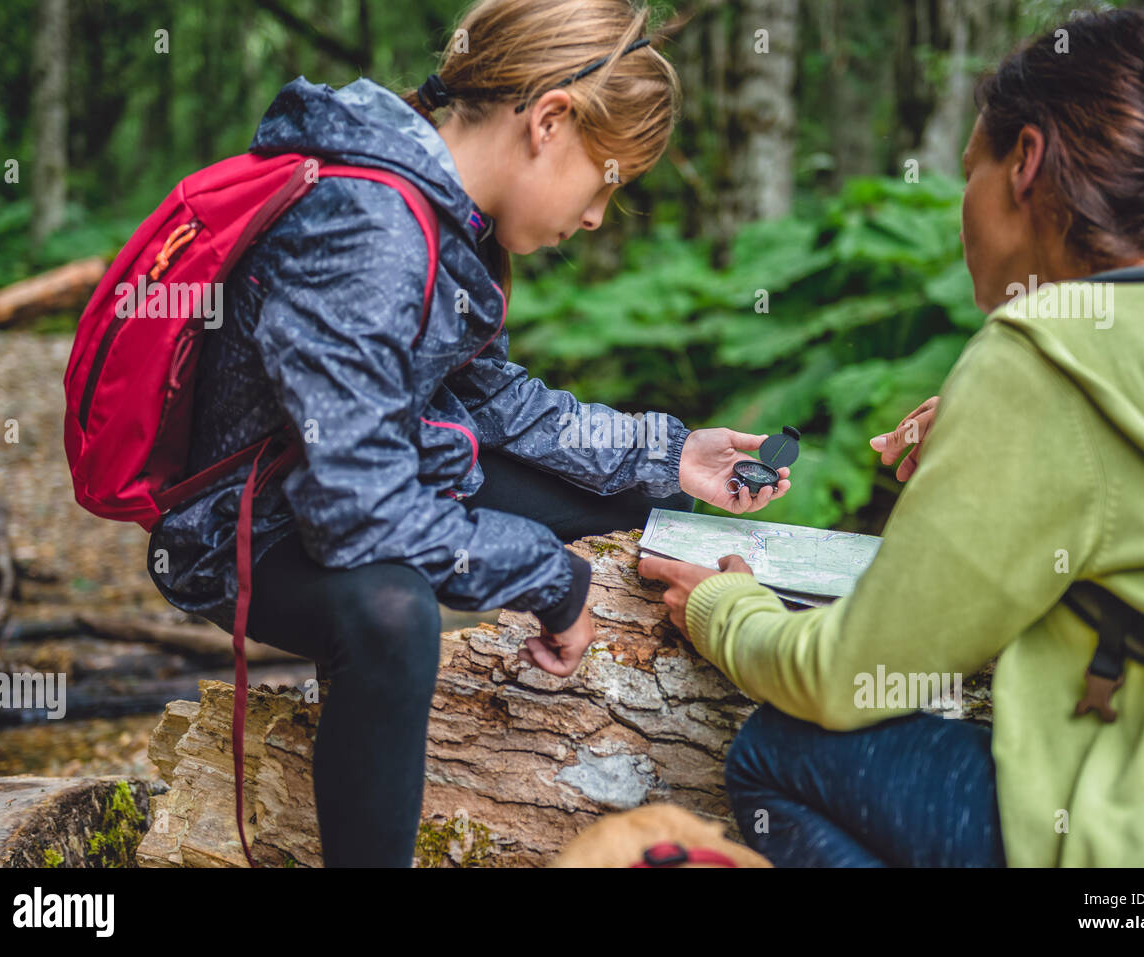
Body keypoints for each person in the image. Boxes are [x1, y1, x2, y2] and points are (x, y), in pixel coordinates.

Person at [145, 0, 791, 867]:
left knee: (642, 488)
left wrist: (668, 454)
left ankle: (617, 742)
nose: (598, 214)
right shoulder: (365, 228)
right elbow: (357, 514)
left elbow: (499, 406)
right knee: (392, 611)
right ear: (550, 121)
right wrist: (546, 577)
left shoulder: (454, 227)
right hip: (249, 531)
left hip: (366, 479)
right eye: (606, 180)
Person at [640, 8, 1144, 867]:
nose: (960, 202)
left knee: (776, 752)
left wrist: (726, 607)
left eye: (968, 170)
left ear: (1026, 162)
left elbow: (847, 676)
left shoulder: (1048, 351)